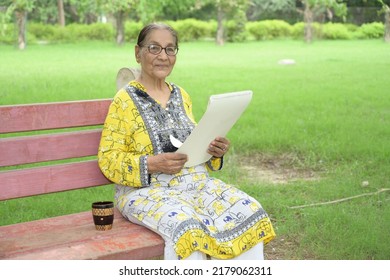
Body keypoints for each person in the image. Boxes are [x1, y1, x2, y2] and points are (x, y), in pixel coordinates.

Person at [98, 22, 276, 260]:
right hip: (147, 191)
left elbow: (191, 143)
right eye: (154, 48)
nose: (163, 56)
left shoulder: (181, 95)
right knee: (188, 228)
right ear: (137, 53)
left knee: (248, 210)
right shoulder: (125, 100)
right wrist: (153, 164)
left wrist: (215, 151)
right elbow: (108, 159)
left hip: (196, 184)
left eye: (170, 49)